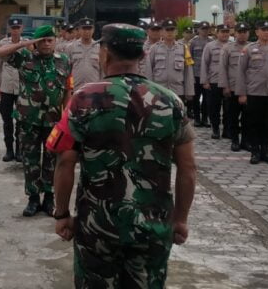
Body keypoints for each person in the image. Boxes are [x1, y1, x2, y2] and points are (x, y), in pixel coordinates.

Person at [48, 23, 197, 288]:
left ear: (104, 54)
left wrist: (61, 214)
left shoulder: (83, 99)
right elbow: (188, 168)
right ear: (143, 56)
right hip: (153, 226)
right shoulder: (170, 101)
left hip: (97, 226)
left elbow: (65, 161)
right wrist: (181, 220)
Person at [0, 25, 72, 217]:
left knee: (52, 160)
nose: (46, 43)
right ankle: (33, 198)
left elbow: (67, 90)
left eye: (50, 39)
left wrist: (66, 115)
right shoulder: (25, 58)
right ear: (36, 42)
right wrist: (24, 43)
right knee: (30, 160)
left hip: (53, 121)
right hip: (28, 120)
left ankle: (49, 197)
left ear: (55, 41)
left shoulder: (64, 61)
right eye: (42, 40)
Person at [235, 20, 268, 165]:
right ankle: (255, 152)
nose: (266, 32)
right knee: (254, 123)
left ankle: (266, 151)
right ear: (257, 32)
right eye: (263, 29)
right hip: (254, 93)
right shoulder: (248, 49)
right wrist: (241, 93)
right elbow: (240, 72)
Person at [0, 17, 25, 162]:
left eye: (18, 27)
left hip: (22, 88)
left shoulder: (26, 44)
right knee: (7, 120)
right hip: (6, 87)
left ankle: (19, 150)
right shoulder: (3, 44)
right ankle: (9, 150)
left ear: (22, 29)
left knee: (20, 121)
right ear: (9, 29)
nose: (15, 30)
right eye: (13, 28)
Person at [219, 22, 251, 152]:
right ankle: (234, 140)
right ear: (235, 33)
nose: (242, 34)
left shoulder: (252, 47)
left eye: (245, 32)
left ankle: (245, 141)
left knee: (247, 117)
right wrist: (225, 86)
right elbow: (223, 68)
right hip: (232, 88)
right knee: (232, 116)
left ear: (248, 33)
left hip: (249, 88)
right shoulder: (228, 48)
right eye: (240, 32)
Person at [148, 20, 194, 104]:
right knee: (160, 116)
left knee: (177, 116)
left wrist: (189, 91)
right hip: (159, 90)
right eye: (167, 30)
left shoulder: (184, 48)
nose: (170, 32)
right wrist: (149, 90)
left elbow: (188, 71)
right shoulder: (154, 48)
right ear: (162, 32)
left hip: (178, 91)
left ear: (176, 32)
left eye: (172, 30)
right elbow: (148, 70)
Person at [200, 24, 231, 140]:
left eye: (227, 32)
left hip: (229, 82)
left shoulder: (232, 46)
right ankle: (216, 129)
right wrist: (205, 81)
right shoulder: (210, 46)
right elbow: (205, 63)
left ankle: (227, 130)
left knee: (229, 108)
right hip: (214, 81)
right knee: (214, 107)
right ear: (216, 33)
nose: (225, 34)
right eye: (222, 32)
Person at [188, 22, 213, 128]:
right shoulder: (193, 42)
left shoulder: (212, 42)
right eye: (203, 28)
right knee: (196, 98)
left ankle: (205, 118)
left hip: (208, 75)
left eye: (207, 29)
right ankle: (197, 118)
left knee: (207, 98)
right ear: (198, 30)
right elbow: (189, 58)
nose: (205, 30)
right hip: (196, 74)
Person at [67, 18, 101, 93]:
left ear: (93, 30)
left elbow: (102, 70)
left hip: (94, 90)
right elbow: (67, 70)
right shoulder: (71, 47)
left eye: (89, 29)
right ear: (79, 30)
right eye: (84, 29)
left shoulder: (99, 48)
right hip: (76, 89)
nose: (87, 31)